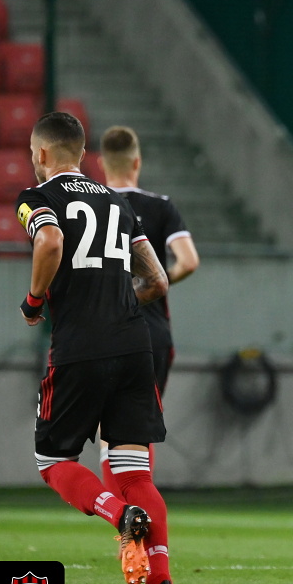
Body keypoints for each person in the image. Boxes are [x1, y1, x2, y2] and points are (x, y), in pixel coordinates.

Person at [15, 112, 178, 584]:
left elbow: (50, 240)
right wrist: (116, 300)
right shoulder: (117, 202)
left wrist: (35, 301)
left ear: (42, 154)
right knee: (135, 472)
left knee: (53, 460)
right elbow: (158, 281)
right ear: (84, 154)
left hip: (79, 349)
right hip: (134, 348)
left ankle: (118, 514)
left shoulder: (36, 198)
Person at [96, 125, 200, 496]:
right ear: (137, 162)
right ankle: (138, 513)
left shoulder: (92, 207)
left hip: (103, 330)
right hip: (152, 333)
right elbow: (188, 261)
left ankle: (125, 517)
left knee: (109, 429)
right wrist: (154, 282)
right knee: (140, 426)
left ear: (101, 163)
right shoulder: (160, 206)